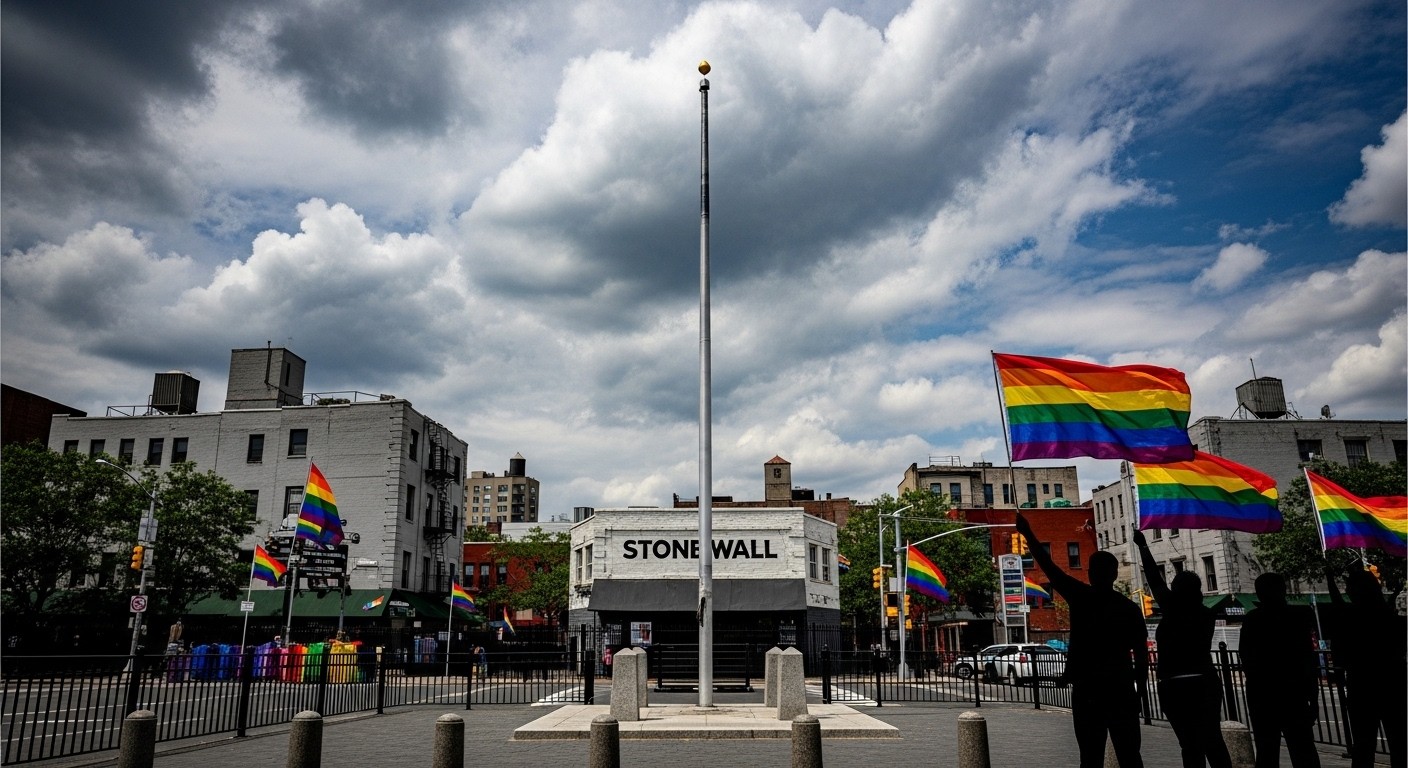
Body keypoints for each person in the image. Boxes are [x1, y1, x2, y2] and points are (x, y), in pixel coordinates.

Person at [1017, 513, 1147, 768]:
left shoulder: (1081, 598)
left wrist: (1028, 533)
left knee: (1090, 755)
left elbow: (1049, 567)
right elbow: (1141, 654)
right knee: (1130, 755)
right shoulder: (1129, 609)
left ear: (1090, 573)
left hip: (1088, 690)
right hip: (1120, 689)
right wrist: (1139, 692)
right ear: (1114, 574)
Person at [1133, 530, 1232, 768]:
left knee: (1189, 745)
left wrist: (1143, 547)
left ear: (1176, 590)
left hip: (1174, 684)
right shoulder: (1205, 615)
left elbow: (1155, 580)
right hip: (1204, 681)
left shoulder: (1173, 609)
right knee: (1212, 739)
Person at [1324, 565, 1406, 768]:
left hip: (1362, 686)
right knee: (1399, 742)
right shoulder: (1389, 617)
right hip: (1393, 683)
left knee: (1363, 744)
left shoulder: (1349, 619)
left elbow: (1340, 654)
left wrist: (1330, 577)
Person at [1239, 572, 1320, 768]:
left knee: (1267, 751)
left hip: (1263, 696)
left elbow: (1247, 659)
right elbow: (1308, 659)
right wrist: (1313, 697)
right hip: (1294, 693)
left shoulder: (1252, 620)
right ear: (1283, 589)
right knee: (1303, 751)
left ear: (1258, 593)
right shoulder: (1299, 617)